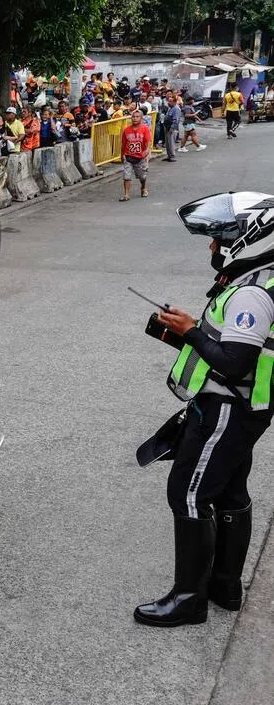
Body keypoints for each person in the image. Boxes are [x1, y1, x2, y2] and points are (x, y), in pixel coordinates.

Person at [134, 192, 274, 626]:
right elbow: (234, 350)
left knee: (189, 494)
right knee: (230, 491)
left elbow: (233, 363)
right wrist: (177, 334)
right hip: (245, 406)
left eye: (220, 238)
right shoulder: (260, 280)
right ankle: (225, 585)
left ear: (249, 238)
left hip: (228, 408)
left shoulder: (252, 293)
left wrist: (191, 330)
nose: (213, 247)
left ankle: (189, 599)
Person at [120, 107, 153, 202]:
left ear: (141, 118)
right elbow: (123, 144)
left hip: (140, 157)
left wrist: (147, 151)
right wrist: (121, 155)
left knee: (142, 176)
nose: (135, 118)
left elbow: (148, 142)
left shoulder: (145, 129)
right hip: (128, 156)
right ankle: (126, 194)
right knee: (126, 176)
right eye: (133, 117)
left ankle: (143, 188)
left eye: (137, 117)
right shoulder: (126, 130)